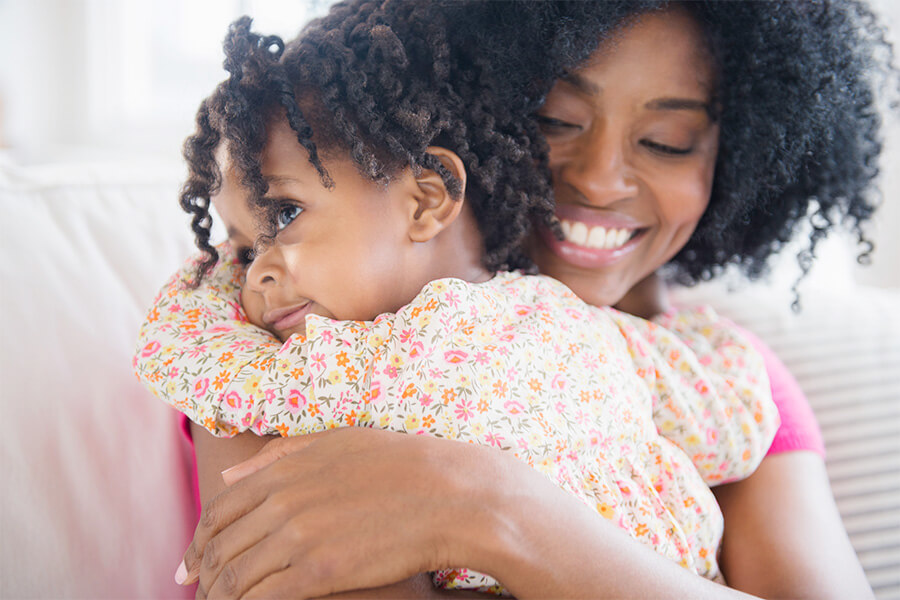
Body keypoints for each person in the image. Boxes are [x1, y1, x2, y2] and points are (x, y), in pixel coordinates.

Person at [143, 0, 893, 597]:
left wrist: (484, 504)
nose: (600, 179)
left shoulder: (718, 378)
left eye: (666, 140)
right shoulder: (280, 330)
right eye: (556, 121)